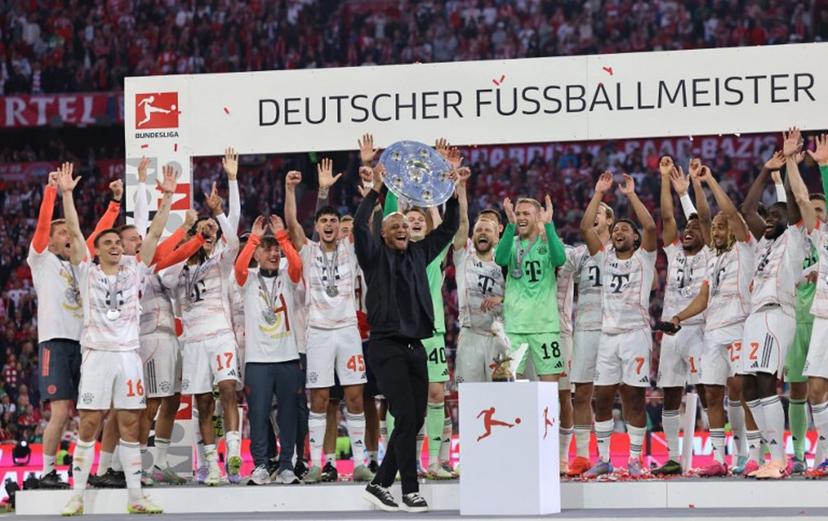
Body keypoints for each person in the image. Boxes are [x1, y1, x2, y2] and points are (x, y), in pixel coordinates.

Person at [61, 163, 176, 515]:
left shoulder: (135, 270)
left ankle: (136, 497)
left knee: (130, 424)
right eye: (107, 242)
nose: (114, 246)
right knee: (91, 423)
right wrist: (67, 194)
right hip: (97, 354)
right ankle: (77, 496)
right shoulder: (87, 272)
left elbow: (154, 236)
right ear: (96, 250)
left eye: (117, 242)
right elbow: (78, 234)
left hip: (127, 355)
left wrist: (168, 197)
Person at [356, 164, 463, 513]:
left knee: (414, 419)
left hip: (418, 345)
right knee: (404, 414)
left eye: (405, 226)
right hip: (387, 347)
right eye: (396, 226)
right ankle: (410, 491)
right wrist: (376, 189)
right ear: (383, 234)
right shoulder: (373, 257)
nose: (403, 229)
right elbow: (359, 225)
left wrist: (453, 190)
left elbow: (448, 227)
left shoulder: (419, 252)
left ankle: (380, 484)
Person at [28, 166, 122, 489]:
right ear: (51, 243)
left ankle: (93, 469)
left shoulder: (78, 266)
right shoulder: (41, 261)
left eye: (69, 232)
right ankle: (47, 472)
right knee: (59, 413)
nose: (68, 236)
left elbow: (94, 236)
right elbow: (42, 227)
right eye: (63, 234)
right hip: (54, 343)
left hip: (83, 345)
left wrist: (114, 205)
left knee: (95, 410)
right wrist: (52, 192)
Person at [284, 159, 373, 483]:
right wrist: (290, 189)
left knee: (354, 396)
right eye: (323, 220)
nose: (329, 224)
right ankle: (319, 463)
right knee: (319, 399)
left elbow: (364, 220)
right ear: (318, 226)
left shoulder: (351, 249)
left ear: (339, 226)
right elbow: (292, 222)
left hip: (348, 331)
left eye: (334, 220)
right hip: (319, 333)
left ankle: (361, 461)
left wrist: (367, 174)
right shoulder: (307, 250)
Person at [667, 163, 755, 477]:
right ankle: (720, 458)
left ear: (734, 228)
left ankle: (750, 455)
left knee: (744, 392)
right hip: (712, 333)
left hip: (740, 328)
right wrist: (679, 315)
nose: (715, 231)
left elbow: (726, 214)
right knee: (713, 393)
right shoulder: (714, 258)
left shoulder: (745, 249)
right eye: (713, 228)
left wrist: (710, 181)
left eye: (721, 227)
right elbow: (704, 298)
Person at [737, 132, 810, 480]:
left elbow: (795, 203)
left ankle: (778, 458)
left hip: (778, 313)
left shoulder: (794, 236)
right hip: (755, 315)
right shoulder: (763, 242)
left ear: (787, 219)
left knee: (766, 381)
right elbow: (746, 209)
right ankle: (769, 453)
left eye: (776, 215)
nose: (769, 218)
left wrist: (792, 162)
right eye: (768, 216)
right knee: (747, 384)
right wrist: (766, 170)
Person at [160, 178, 242, 486]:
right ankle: (212, 465)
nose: (207, 235)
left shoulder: (221, 260)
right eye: (202, 231)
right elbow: (165, 278)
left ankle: (233, 451)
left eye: (211, 233)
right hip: (193, 341)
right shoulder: (180, 267)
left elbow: (233, 243)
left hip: (220, 334)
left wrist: (218, 213)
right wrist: (188, 239)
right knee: (204, 404)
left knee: (229, 391)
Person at [580, 172, 657, 478]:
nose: (620, 232)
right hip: (608, 336)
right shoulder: (604, 258)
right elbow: (586, 227)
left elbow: (651, 226)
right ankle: (604, 459)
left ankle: (636, 460)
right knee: (601, 396)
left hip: (635, 334)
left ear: (635, 239)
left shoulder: (645, 259)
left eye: (627, 229)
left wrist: (631, 195)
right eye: (618, 229)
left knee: (634, 397)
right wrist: (599, 193)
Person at [235, 215, 304, 485]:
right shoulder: (248, 279)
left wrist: (283, 237)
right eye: (267, 248)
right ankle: (262, 465)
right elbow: (240, 266)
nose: (273, 252)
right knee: (259, 415)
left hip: (287, 358)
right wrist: (253, 239)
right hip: (257, 360)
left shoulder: (288, 277)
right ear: (256, 254)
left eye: (275, 248)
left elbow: (296, 264)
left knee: (288, 415)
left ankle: (287, 465)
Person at [653, 157, 712, 476]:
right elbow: (665, 216)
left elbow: (702, 216)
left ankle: (719, 454)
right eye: (685, 229)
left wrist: (693, 188)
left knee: (706, 389)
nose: (687, 231)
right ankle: (673, 456)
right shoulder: (674, 252)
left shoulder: (709, 253)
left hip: (698, 331)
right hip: (672, 334)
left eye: (693, 229)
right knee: (670, 393)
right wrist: (665, 181)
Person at [494, 195, 567, 380]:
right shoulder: (511, 242)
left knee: (550, 386)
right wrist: (510, 225)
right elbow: (500, 259)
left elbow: (560, 259)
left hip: (545, 326)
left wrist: (549, 225)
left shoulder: (548, 242)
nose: (520, 217)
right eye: (518, 213)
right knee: (508, 383)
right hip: (514, 326)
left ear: (537, 217)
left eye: (526, 213)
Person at [567, 199, 614, 477]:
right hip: (584, 327)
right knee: (582, 393)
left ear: (609, 220)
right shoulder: (580, 253)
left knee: (613, 391)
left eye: (599, 212)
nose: (593, 215)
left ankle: (609, 455)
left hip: (612, 328)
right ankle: (583, 455)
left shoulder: (622, 251)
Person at [802, 133, 828, 478]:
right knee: (815, 387)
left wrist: (824, 166)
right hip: (822, 314)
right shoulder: (821, 235)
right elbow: (804, 202)